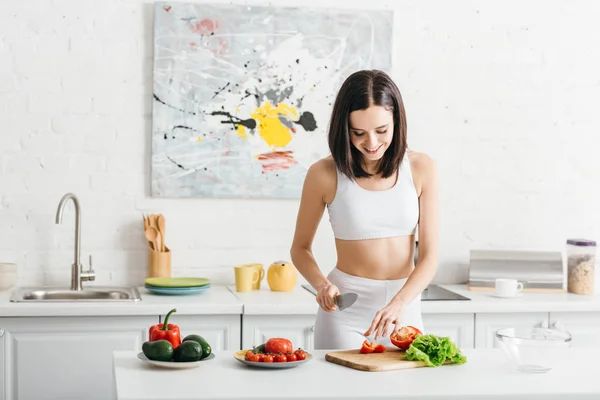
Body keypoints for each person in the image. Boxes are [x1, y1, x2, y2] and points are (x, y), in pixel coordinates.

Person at [290, 69, 439, 350]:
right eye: (358, 133)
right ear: (343, 128)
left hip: (403, 311)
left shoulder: (421, 168)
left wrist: (399, 304)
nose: (371, 143)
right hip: (344, 314)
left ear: (397, 121)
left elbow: (430, 257)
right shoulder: (323, 174)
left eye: (382, 131)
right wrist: (322, 285)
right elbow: (300, 248)